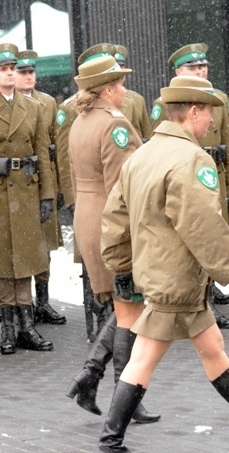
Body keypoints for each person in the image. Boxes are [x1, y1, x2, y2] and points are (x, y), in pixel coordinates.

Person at [96, 75, 229, 452]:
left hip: (159, 274)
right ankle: (110, 441)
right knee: (144, 359)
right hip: (178, 278)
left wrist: (122, 266)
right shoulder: (191, 159)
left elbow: (115, 220)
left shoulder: (141, 155)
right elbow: (203, 226)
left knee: (212, 346)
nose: (213, 122)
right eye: (210, 114)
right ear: (193, 112)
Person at [64, 55, 159, 424]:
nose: (124, 90)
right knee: (130, 312)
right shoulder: (114, 125)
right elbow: (126, 189)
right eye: (119, 84)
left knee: (123, 308)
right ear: (107, 89)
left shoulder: (81, 121)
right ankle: (126, 397)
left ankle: (90, 377)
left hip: (90, 219)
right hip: (113, 224)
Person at [151, 42, 229, 328]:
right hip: (186, 179)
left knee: (214, 233)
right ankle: (204, 303)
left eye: (203, 66)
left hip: (214, 176)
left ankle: (210, 293)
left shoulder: (218, 99)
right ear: (178, 71)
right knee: (196, 235)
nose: (200, 71)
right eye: (193, 67)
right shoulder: (167, 104)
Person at [0, 42, 55, 354]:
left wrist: (47, 194)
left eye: (12, 68)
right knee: (3, 262)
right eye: (4, 69)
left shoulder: (33, 108)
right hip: (1, 193)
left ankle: (26, 326)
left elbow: (43, 155)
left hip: (25, 189)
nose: (9, 74)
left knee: (25, 258)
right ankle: (7, 329)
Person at [15, 49, 67, 324]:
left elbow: (57, 144)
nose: (27, 77)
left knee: (44, 246)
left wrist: (55, 188)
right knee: (19, 246)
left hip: (42, 178)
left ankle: (43, 301)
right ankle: (19, 307)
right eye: (22, 72)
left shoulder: (47, 103)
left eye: (31, 72)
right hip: (18, 183)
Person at [113, 44, 152, 141]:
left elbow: (147, 137)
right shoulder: (87, 104)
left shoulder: (137, 100)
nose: (120, 71)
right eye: (115, 67)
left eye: (122, 66)